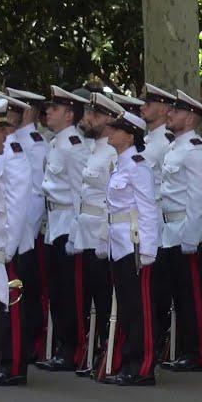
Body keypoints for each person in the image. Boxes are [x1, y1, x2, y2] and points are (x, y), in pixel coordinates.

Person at [155, 90, 202, 372]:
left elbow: (197, 198)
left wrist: (190, 237)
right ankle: (179, 348)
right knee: (176, 294)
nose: (169, 114)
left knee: (190, 297)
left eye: (176, 111)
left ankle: (197, 352)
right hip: (170, 229)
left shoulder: (195, 150)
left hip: (187, 230)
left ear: (190, 118)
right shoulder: (175, 146)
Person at [101, 109, 160, 386]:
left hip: (134, 244)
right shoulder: (120, 165)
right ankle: (127, 361)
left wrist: (148, 249)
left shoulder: (138, 167)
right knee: (126, 306)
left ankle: (142, 366)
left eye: (116, 129)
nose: (110, 132)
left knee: (139, 309)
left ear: (129, 136)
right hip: (119, 242)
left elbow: (148, 209)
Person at [36, 86, 89, 372]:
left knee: (70, 293)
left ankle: (72, 349)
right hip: (54, 223)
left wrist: (78, 233)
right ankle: (61, 346)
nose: (48, 112)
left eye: (54, 108)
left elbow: (82, 192)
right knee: (56, 291)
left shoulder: (73, 146)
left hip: (69, 223)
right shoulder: (56, 142)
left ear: (69, 115)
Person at [70, 93, 121, 377]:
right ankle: (97, 352)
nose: (87, 119)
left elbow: (110, 201)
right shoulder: (94, 149)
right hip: (87, 231)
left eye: (95, 115)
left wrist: (104, 236)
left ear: (110, 120)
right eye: (88, 113)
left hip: (101, 233)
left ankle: (107, 352)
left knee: (103, 298)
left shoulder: (111, 153)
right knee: (92, 296)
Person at [2, 89, 48, 365]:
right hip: (5, 237)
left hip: (15, 237)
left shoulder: (18, 149)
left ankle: (19, 358)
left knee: (17, 299)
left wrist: (16, 241)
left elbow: (27, 199)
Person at [0, 98, 27, 386]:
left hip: (5, 244)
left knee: (10, 306)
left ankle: (13, 364)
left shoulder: (13, 152)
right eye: (0, 129)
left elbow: (17, 203)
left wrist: (9, 248)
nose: (6, 134)